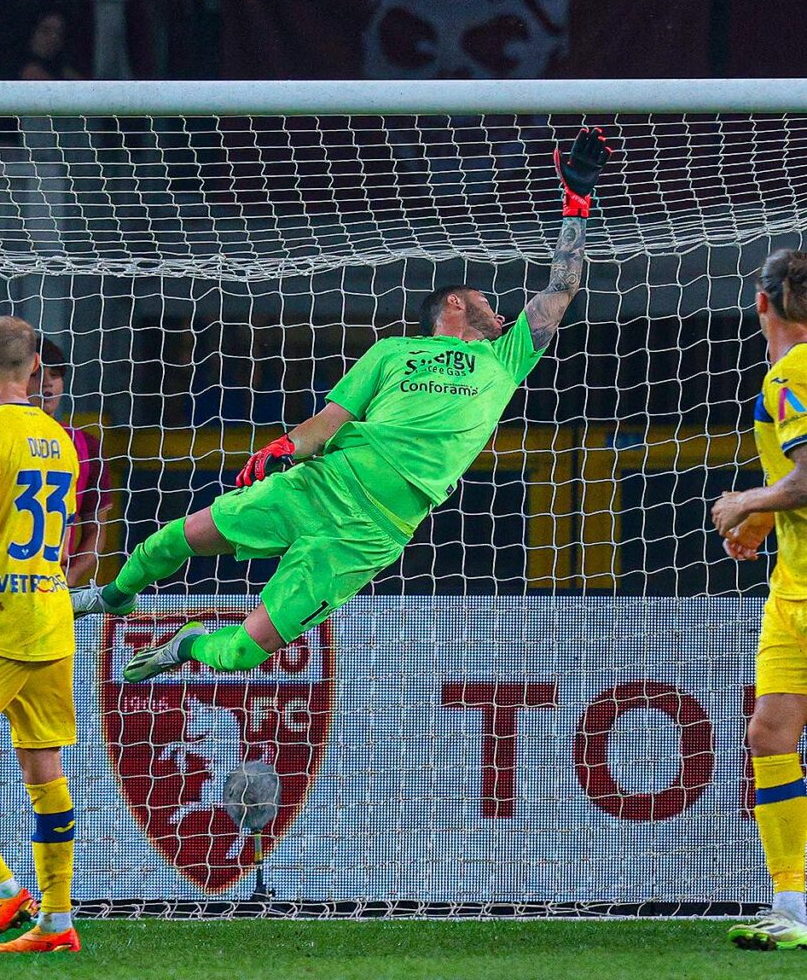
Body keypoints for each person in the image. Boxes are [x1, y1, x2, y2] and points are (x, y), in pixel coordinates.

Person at [72, 127, 612, 685]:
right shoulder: (393, 351)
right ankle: (114, 597)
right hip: (322, 482)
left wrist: (576, 204)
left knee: (242, 655)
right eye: (485, 300)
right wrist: (287, 445)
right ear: (455, 302)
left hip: (372, 532)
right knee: (175, 540)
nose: (499, 311)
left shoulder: (507, 357)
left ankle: (186, 647)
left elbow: (561, 289)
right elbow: (331, 422)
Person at [0, 317, 80, 953]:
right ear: (36, 369)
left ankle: (0, 887)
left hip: (1, 621)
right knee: (43, 763)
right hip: (53, 616)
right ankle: (56, 921)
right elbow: (59, 538)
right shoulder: (61, 439)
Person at [712, 250, 807, 951]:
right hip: (791, 589)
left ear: (760, 303)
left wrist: (744, 499)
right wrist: (762, 519)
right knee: (768, 737)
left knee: (771, 738)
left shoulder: (793, 371)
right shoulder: (784, 377)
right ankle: (792, 907)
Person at [27, 335, 113, 587]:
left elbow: (95, 529)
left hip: (53, 588)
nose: (47, 383)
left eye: (55, 374)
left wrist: (72, 575)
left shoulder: (86, 446)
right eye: (35, 375)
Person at [19, 8, 82, 82]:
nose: (53, 39)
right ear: (32, 33)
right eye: (46, 31)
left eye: (59, 34)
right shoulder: (29, 71)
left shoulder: (65, 70)